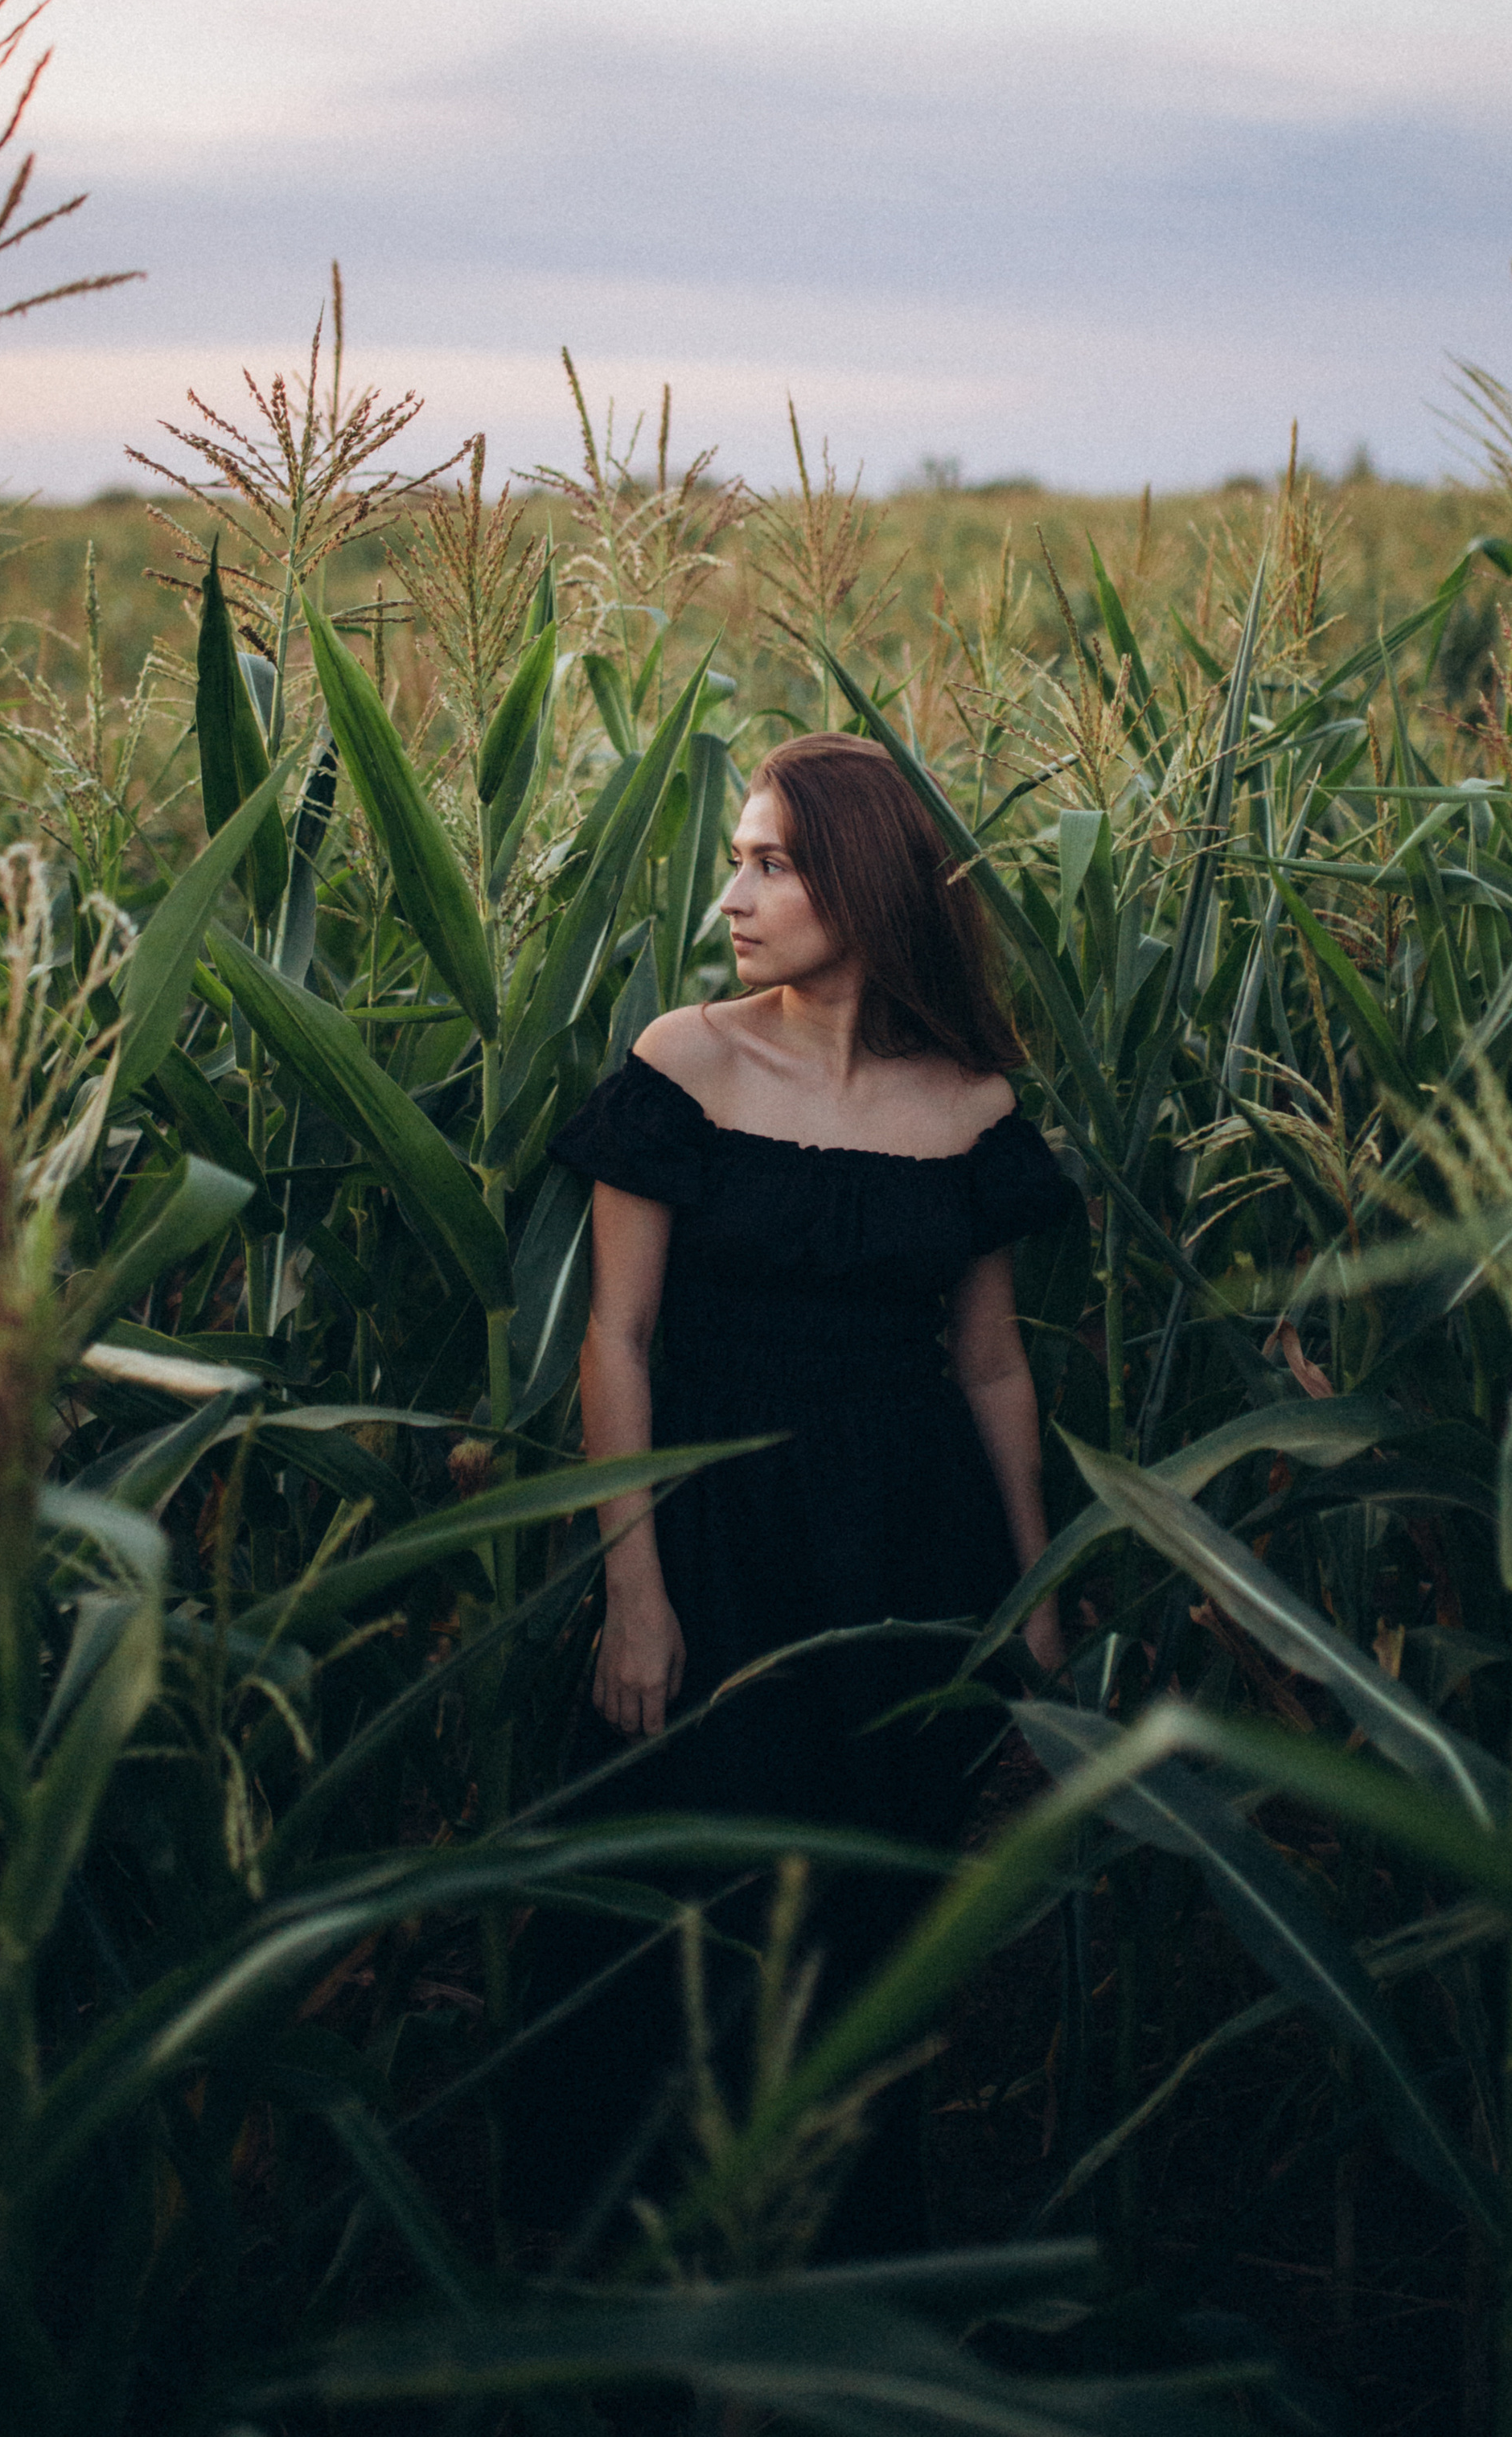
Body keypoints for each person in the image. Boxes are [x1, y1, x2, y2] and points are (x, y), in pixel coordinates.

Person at [514, 729, 1075, 2250]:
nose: (734, 897)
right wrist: (635, 1593)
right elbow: (613, 1345)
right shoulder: (683, 1063)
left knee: (857, 1936)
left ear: (868, 881)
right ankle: (618, 2297)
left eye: (771, 863)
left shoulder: (968, 1106)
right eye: (738, 861)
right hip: (715, 1544)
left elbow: (992, 1367)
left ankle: (830, 2291)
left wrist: (1030, 1598)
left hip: (903, 1557)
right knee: (672, 1927)